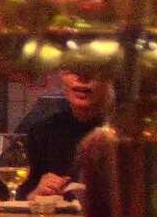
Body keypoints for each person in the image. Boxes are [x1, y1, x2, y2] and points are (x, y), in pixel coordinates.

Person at [21, 71, 112, 199]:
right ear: (62, 80)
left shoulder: (124, 134)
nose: (82, 77)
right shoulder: (43, 131)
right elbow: (13, 196)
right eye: (72, 70)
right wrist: (36, 194)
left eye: (92, 68)